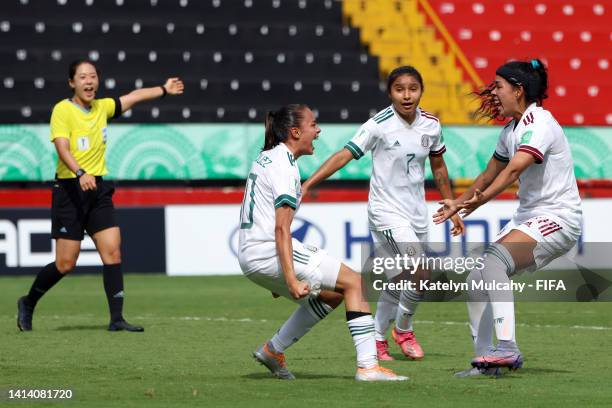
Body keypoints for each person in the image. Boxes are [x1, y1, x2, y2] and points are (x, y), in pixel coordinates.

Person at [302, 66, 464, 361]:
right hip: (386, 211)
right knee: (419, 269)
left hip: (417, 212)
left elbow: (438, 167)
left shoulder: (431, 125)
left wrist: (450, 204)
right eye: (399, 89)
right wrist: (308, 182)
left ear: (421, 91)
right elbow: (344, 154)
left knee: (400, 277)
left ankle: (377, 338)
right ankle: (404, 329)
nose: (406, 95)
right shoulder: (378, 124)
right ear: (390, 92)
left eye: (412, 89)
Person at [433, 59, 582, 376]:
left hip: (558, 216)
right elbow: (491, 171)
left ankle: (507, 348)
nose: (494, 92)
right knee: (477, 279)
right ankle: (486, 363)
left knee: (492, 263)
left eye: (499, 86)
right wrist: (460, 203)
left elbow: (515, 169)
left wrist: (480, 201)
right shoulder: (510, 130)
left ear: (519, 89)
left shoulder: (540, 123)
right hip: (529, 216)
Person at [238, 104, 407, 381]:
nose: (318, 131)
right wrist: (289, 278)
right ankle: (368, 367)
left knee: (333, 293)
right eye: (313, 125)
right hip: (267, 251)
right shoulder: (284, 166)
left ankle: (273, 350)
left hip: (252, 254)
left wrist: (279, 274)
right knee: (355, 282)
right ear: (295, 132)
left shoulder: (267, 157)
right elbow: (281, 228)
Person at [16, 59, 184, 332]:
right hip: (70, 190)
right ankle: (28, 301)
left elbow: (134, 97)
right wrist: (80, 172)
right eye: (82, 77)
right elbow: (62, 147)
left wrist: (163, 89)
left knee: (112, 250)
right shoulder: (63, 110)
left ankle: (116, 319)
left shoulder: (101, 108)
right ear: (72, 83)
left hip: (98, 190)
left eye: (93, 76)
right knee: (65, 263)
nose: (89, 81)